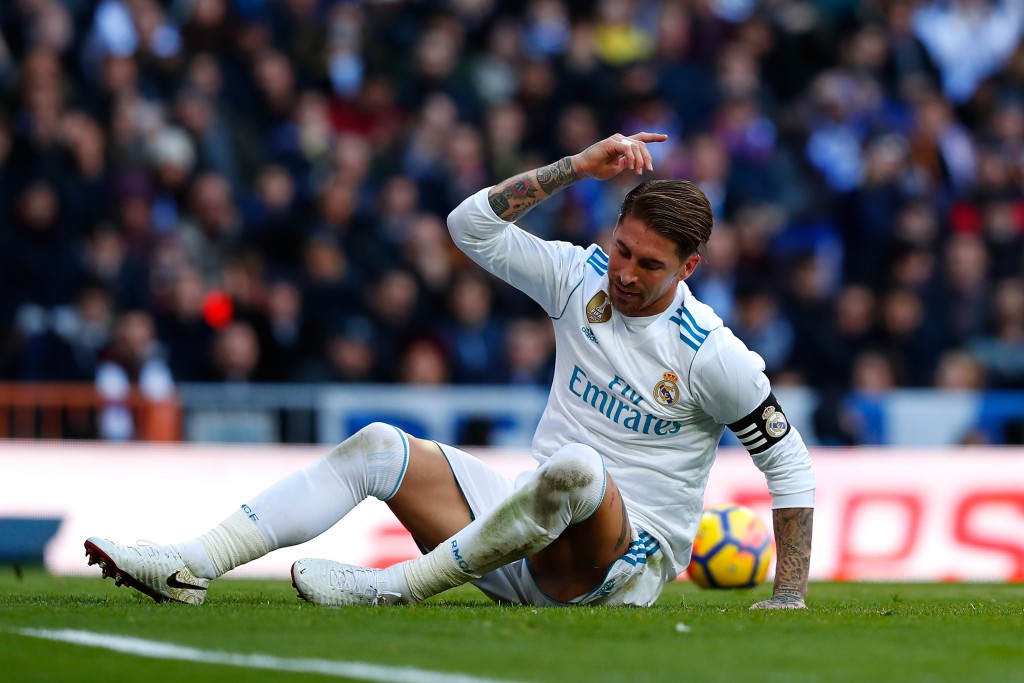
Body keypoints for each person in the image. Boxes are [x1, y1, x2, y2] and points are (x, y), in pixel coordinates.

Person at [85, 132, 815, 610]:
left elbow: (789, 464)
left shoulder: (711, 353)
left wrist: (788, 593)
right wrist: (577, 167)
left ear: (688, 267)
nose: (624, 272)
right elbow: (468, 225)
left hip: (613, 572)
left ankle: (387, 590)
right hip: (523, 538)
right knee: (377, 446)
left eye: (647, 264)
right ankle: (190, 563)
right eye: (621, 247)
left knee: (580, 467)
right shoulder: (578, 276)